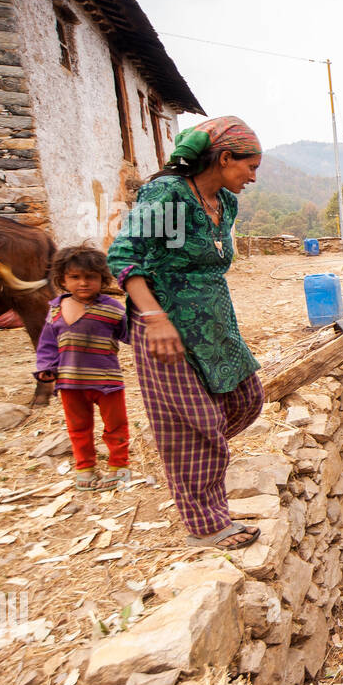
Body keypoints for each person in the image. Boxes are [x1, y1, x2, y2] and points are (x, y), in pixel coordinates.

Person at [107, 116, 264, 549]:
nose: (253, 177)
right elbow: (124, 256)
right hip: (165, 326)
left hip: (214, 322)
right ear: (225, 157)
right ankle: (206, 524)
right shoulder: (170, 196)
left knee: (247, 399)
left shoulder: (225, 204)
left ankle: (190, 460)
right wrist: (154, 319)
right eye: (249, 166)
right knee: (194, 426)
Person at [35, 244, 130, 491]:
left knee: (116, 426)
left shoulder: (112, 308)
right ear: (62, 280)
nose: (83, 283)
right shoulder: (55, 309)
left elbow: (131, 335)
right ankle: (85, 467)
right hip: (70, 383)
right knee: (78, 428)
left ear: (103, 279)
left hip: (108, 382)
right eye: (75, 277)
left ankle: (118, 465)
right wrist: (45, 366)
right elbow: (47, 343)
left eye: (91, 277)